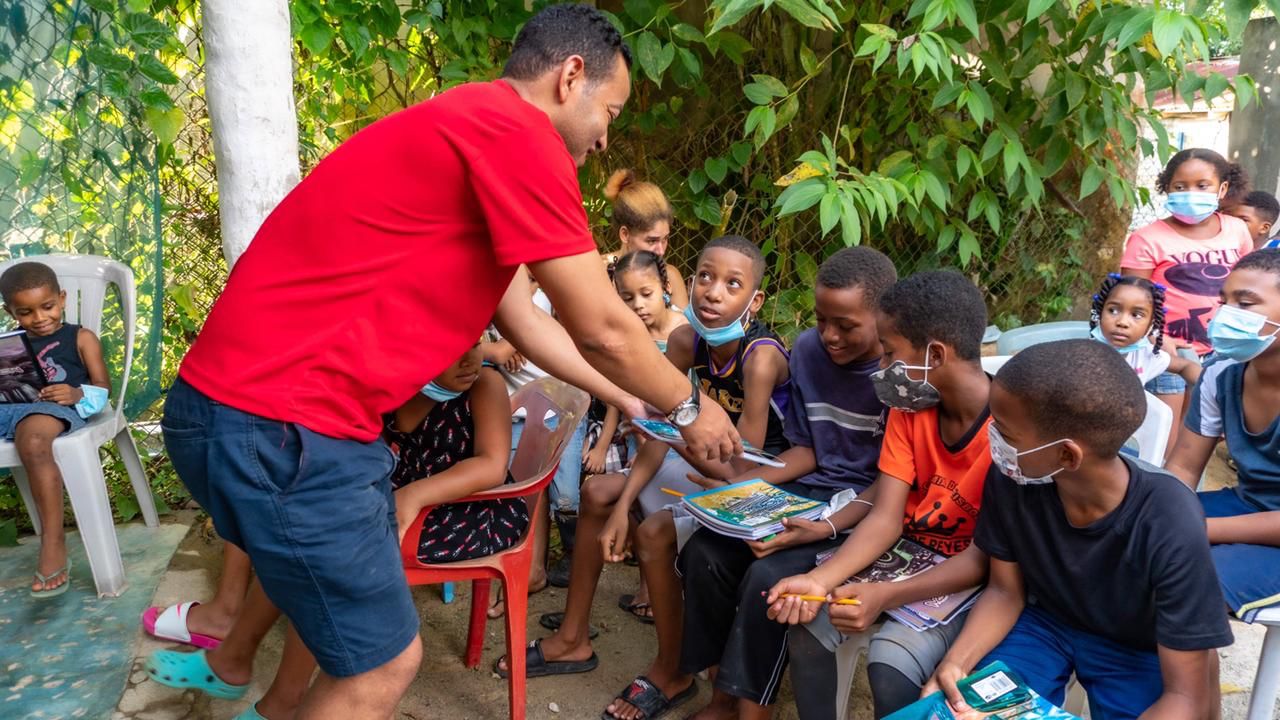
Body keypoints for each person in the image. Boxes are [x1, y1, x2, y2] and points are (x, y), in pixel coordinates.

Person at [155, 5, 741, 715]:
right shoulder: (519, 136)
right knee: (381, 667)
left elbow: (526, 321)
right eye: (609, 111)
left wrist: (632, 401)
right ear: (570, 76)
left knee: (323, 590)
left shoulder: (470, 124)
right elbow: (603, 327)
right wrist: (688, 406)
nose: (606, 134)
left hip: (243, 412)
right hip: (286, 427)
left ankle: (253, 680)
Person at [505, 235, 790, 720]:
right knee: (599, 493)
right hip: (703, 463)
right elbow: (665, 425)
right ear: (689, 281)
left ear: (754, 299)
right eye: (705, 277)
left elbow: (744, 466)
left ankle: (672, 668)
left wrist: (681, 433)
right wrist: (622, 506)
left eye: (732, 284)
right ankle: (574, 638)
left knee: (656, 530)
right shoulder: (684, 342)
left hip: (760, 482)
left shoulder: (760, 358)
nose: (713, 293)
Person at [909, 340, 1231, 719]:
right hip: (1046, 625)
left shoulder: (1169, 519)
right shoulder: (1014, 476)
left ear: (1067, 455)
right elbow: (1004, 591)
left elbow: (1186, 698)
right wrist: (956, 663)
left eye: (1006, 433)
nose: (993, 440)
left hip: (1139, 647)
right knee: (961, 709)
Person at [676, 247, 897, 720]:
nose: (830, 335)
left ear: (883, 317)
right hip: (807, 492)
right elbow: (807, 449)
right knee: (704, 554)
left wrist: (828, 527)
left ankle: (755, 711)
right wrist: (742, 487)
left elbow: (891, 483)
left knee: (768, 577)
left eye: (846, 325)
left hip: (864, 510)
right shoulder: (810, 351)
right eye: (821, 320)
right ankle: (721, 697)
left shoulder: (897, 375)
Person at [765, 270, 993, 719]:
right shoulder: (911, 412)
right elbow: (886, 517)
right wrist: (820, 582)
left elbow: (987, 560)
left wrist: (887, 596)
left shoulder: (1007, 433)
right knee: (809, 622)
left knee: (892, 665)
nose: (883, 367)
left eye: (890, 353)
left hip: (968, 578)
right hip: (905, 556)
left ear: (935, 355)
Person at [1166, 248, 1280, 625]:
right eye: (1224, 301)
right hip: (1248, 504)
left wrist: (1198, 530)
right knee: (1122, 539)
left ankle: (1186, 683)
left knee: (1184, 583)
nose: (1226, 315)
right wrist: (1160, 514)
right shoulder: (1222, 371)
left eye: (1245, 304)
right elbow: (1183, 465)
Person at [0, 261, 110, 598]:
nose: (40, 318)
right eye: (26, 312)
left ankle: (53, 539)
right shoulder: (9, 345)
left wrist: (77, 394)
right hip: (11, 407)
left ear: (61, 299)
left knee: (33, 440)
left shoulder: (80, 337)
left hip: (58, 410)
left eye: (47, 306)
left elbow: (102, 387)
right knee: (26, 428)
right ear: (10, 311)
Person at [1121, 148, 1253, 426]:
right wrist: (1156, 335)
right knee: (1166, 432)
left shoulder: (1237, 231)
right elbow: (1131, 299)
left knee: (1202, 427)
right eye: (1180, 187)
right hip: (1166, 350)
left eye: (1202, 185)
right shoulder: (1147, 239)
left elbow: (1248, 286)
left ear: (1222, 188)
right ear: (1167, 189)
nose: (1191, 193)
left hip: (1222, 349)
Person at [1088, 273, 1200, 457]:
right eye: (1113, 310)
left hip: (1113, 444)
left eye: (1137, 315)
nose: (1122, 322)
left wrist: (1213, 386)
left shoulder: (1145, 356)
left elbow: (1184, 366)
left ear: (1151, 325)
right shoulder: (1083, 353)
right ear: (1100, 312)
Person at [601, 169, 688, 308]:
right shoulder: (598, 272)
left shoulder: (671, 276)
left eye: (665, 239)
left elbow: (683, 328)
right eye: (651, 241)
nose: (661, 251)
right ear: (625, 234)